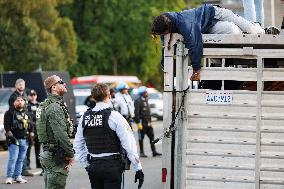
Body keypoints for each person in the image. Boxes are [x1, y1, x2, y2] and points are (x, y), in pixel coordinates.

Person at [151, 4, 265, 81]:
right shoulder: (165, 24)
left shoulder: (185, 24)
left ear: (168, 27)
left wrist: (196, 69)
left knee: (248, 30)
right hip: (207, 27)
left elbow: (195, 45)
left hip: (216, 13)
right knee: (232, 31)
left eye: (163, 33)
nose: (163, 36)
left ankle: (264, 30)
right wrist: (165, 64)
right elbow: (166, 48)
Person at [74, 84, 144, 189]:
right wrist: (138, 167)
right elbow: (129, 144)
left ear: (93, 98)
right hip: (112, 165)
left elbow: (78, 145)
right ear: (109, 96)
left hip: (94, 166)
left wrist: (87, 165)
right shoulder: (115, 116)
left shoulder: (85, 117)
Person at [37, 75, 74, 189]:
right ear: (54, 87)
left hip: (48, 152)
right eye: (61, 82)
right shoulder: (54, 107)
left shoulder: (45, 105)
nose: (64, 84)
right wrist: (70, 154)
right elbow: (60, 134)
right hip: (55, 155)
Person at [4, 95, 31, 184]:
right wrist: (12, 138)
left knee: (21, 159)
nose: (20, 102)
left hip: (24, 140)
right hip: (14, 140)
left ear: (24, 102)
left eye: (21, 100)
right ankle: (9, 177)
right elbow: (7, 127)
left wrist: (31, 136)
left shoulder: (26, 112)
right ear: (14, 102)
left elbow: (30, 125)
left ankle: (18, 176)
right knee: (13, 159)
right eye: (18, 100)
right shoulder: (9, 112)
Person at [134, 86, 162, 158]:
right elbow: (136, 113)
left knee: (151, 137)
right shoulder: (137, 101)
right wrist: (138, 123)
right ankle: (141, 152)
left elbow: (148, 112)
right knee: (141, 138)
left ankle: (154, 152)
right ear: (142, 93)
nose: (147, 93)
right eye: (146, 92)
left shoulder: (146, 100)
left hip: (148, 123)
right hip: (142, 123)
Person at [22, 89, 41, 176]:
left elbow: (41, 117)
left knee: (38, 147)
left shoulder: (39, 105)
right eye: (31, 95)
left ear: (36, 95)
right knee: (28, 147)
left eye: (34, 94)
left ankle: (39, 163)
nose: (33, 96)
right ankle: (28, 164)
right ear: (29, 96)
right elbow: (27, 118)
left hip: (38, 129)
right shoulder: (27, 106)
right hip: (30, 129)